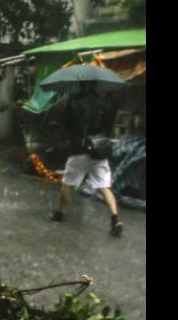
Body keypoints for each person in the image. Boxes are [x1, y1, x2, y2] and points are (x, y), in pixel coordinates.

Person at [50, 81, 123, 236]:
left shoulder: (74, 101)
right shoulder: (105, 102)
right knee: (104, 186)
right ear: (96, 85)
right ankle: (115, 219)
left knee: (68, 184)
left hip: (79, 149)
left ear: (81, 85)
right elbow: (108, 127)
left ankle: (60, 213)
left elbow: (67, 125)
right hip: (99, 150)